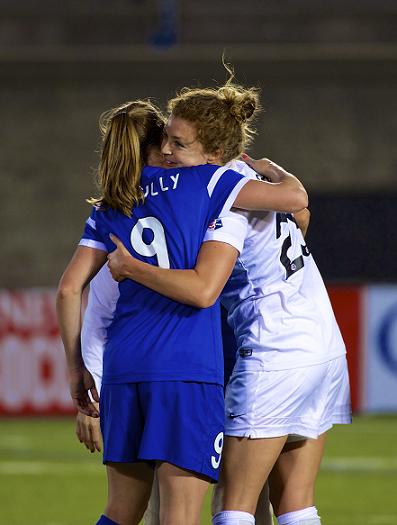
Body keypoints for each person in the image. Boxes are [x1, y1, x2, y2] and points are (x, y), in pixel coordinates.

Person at [102, 88, 352, 525]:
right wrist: (274, 170)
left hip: (276, 354)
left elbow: (203, 288)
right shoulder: (254, 186)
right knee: (295, 502)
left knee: (232, 505)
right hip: (324, 348)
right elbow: (300, 212)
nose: (166, 151)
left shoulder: (223, 197)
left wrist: (132, 267)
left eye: (179, 145)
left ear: (215, 152)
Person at [57, 90, 307, 525]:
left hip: (123, 368)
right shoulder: (205, 181)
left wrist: (77, 368)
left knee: (120, 511)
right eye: (169, 142)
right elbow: (294, 202)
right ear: (158, 144)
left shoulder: (109, 206)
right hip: (186, 370)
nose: (173, 151)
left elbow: (67, 290)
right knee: (182, 514)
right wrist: (269, 170)